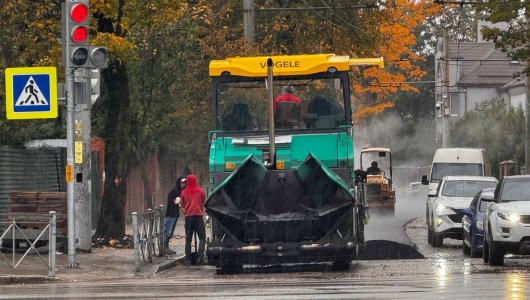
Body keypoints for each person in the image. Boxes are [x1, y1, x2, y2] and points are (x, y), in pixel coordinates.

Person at [180, 174, 207, 265]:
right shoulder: (201, 191)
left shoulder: (184, 192)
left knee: (188, 239)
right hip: (198, 217)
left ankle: (188, 259)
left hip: (188, 217)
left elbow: (182, 205)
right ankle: (200, 257)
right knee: (202, 237)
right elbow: (204, 202)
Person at [163, 177, 186, 255]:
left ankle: (166, 248)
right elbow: (178, 203)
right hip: (170, 215)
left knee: (170, 232)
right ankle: (164, 248)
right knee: (167, 232)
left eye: (184, 183)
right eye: (182, 183)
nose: (184, 184)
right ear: (179, 183)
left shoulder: (180, 191)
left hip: (175, 215)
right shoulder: (174, 192)